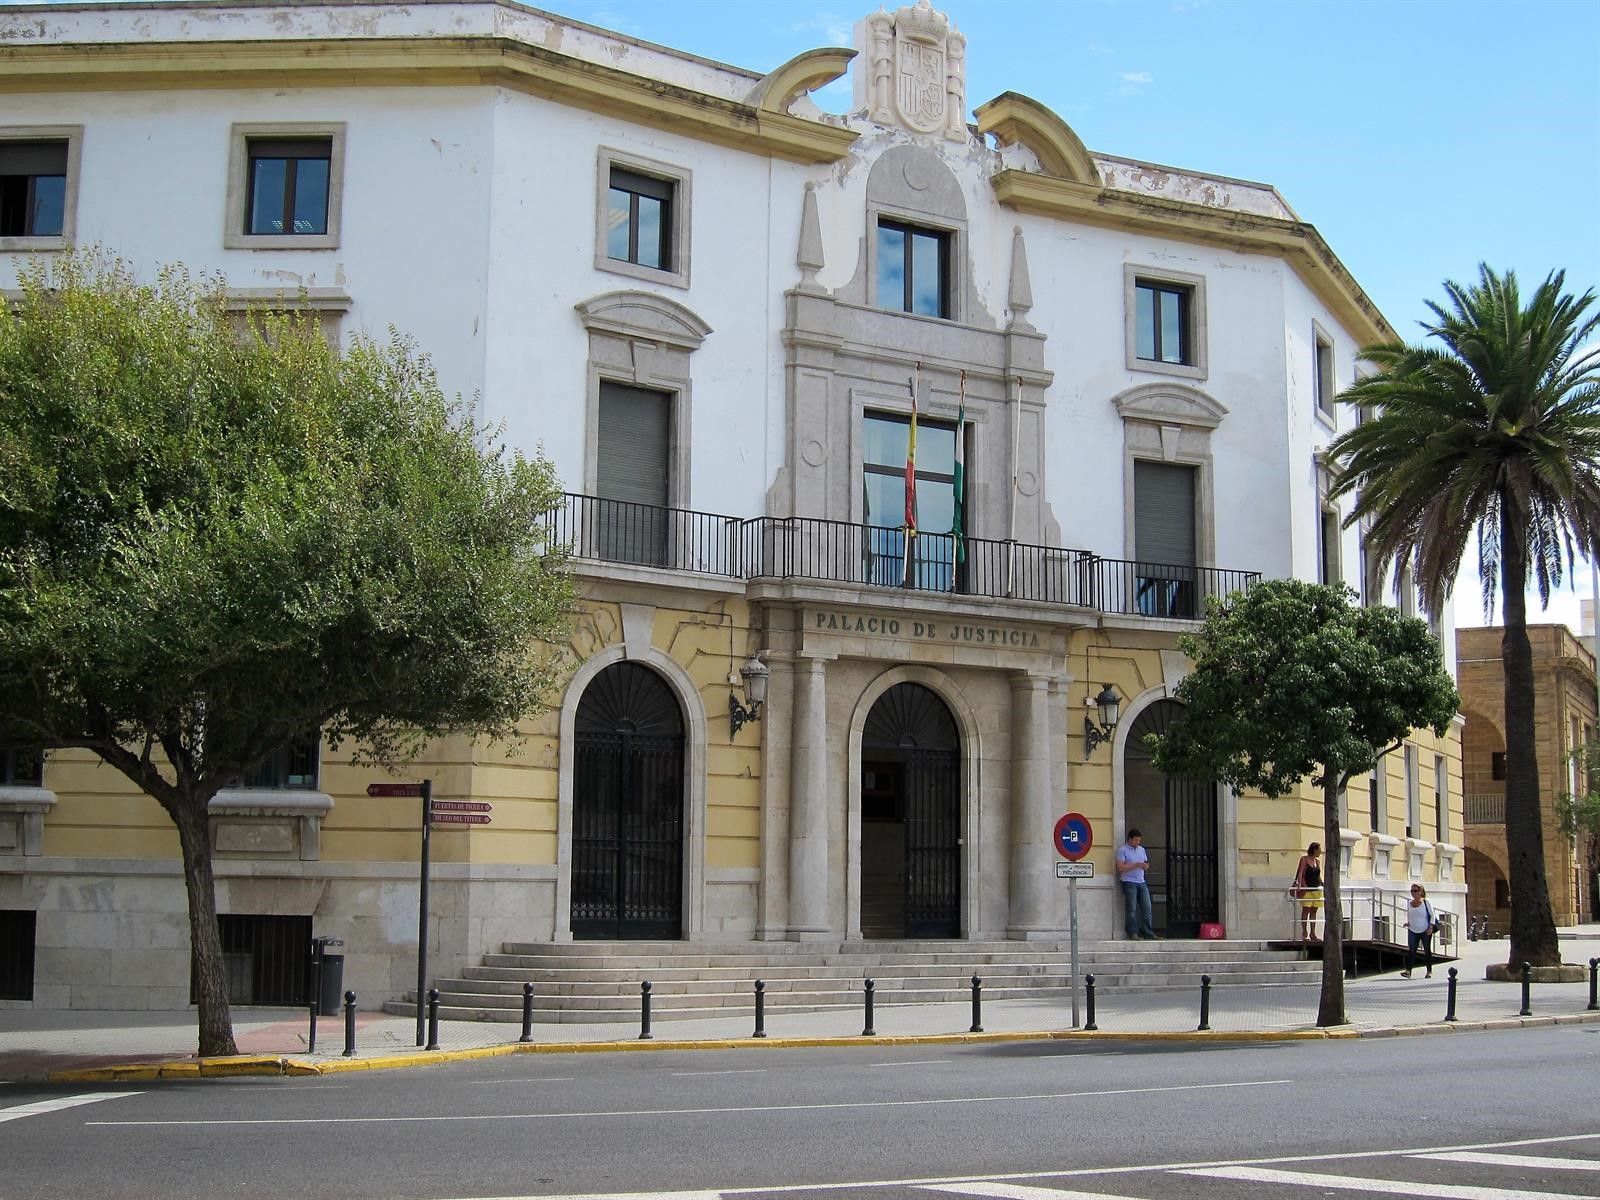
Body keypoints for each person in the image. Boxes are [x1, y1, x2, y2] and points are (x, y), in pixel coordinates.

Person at [1116, 828, 1157, 940]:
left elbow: (1146, 863)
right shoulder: (1122, 850)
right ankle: (1133, 933)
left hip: (1141, 881)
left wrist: (1145, 866)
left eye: (1139, 840)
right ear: (1130, 839)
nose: (1137, 842)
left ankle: (1148, 932)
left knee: (1147, 908)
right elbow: (1120, 867)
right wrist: (1136, 865)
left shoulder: (1141, 850)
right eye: (1135, 840)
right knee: (1131, 908)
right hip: (1129, 882)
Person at [1402, 884, 1437, 978]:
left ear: (1421, 892)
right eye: (1412, 891)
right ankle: (1408, 971)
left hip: (1425, 930)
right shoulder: (1409, 903)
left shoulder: (1426, 902)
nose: (1413, 893)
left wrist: (1430, 927)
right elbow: (1411, 915)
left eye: (1415, 891)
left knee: (1427, 950)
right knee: (1412, 951)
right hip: (1412, 929)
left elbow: (1432, 915)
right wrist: (1408, 923)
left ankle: (1429, 971)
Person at [1293, 842, 1324, 942]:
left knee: (1314, 911)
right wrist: (1300, 884)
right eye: (1319, 849)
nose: (1320, 851)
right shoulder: (1304, 859)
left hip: (1316, 890)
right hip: (1307, 889)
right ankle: (1304, 933)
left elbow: (1319, 875)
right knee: (1306, 910)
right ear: (1314, 850)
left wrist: (1322, 884)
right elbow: (1301, 872)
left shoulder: (1317, 862)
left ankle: (1313, 933)